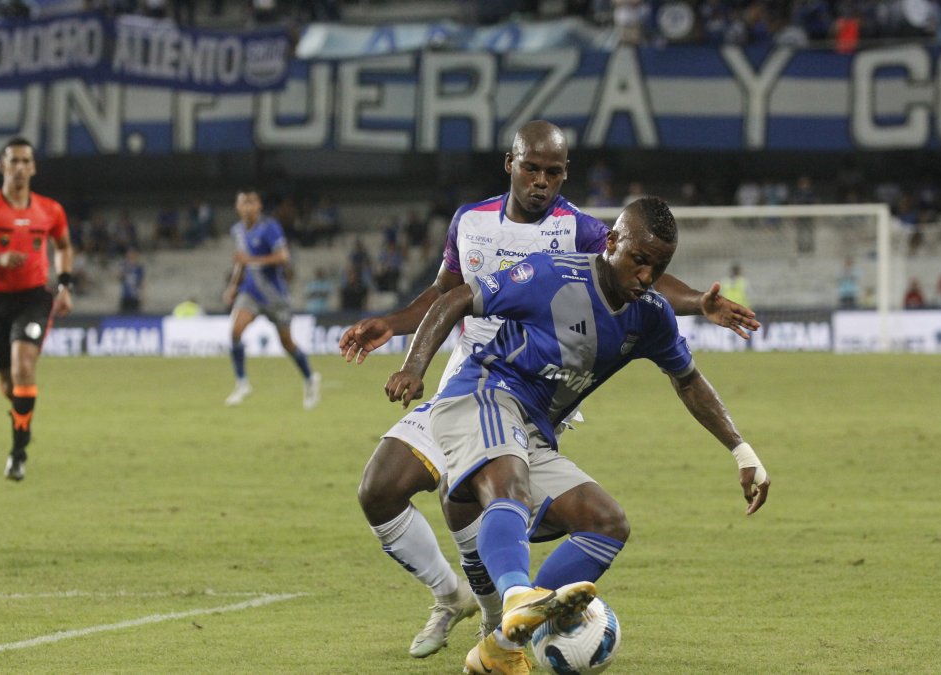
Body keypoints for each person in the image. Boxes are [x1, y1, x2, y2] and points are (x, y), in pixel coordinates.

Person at [339, 120, 761, 660]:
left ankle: (501, 625)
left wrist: (698, 302)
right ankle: (460, 597)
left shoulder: (580, 231)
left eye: (553, 172)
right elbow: (446, 293)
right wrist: (398, 330)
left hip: (538, 399)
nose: (541, 181)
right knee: (383, 488)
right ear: (510, 164)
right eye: (533, 168)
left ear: (565, 175)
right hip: (474, 380)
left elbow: (641, 273)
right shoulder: (472, 222)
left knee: (499, 497)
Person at [0, 137, 74, 482]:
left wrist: (65, 286)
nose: (20, 167)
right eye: (14, 161)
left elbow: (64, 246)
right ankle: (23, 420)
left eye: (25, 161)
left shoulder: (50, 210)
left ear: (33, 168)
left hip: (34, 298)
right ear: (2, 166)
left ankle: (18, 454)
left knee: (23, 367)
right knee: (9, 385)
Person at [223, 188, 321, 409]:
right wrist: (233, 286)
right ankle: (242, 383)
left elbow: (283, 257)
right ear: (237, 207)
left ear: (258, 206)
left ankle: (309, 378)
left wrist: (251, 261)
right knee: (235, 331)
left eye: (251, 202)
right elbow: (241, 262)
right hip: (250, 293)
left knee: (287, 343)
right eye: (243, 203)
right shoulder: (237, 231)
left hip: (275, 296)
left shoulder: (270, 227)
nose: (247, 207)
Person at [118, 247, 145, 314]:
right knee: (123, 315)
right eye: (129, 254)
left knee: (136, 315)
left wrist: (142, 295)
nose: (131, 255)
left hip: (135, 296)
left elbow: (141, 282)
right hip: (125, 296)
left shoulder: (139, 267)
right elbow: (119, 277)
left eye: (132, 254)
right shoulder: (124, 265)